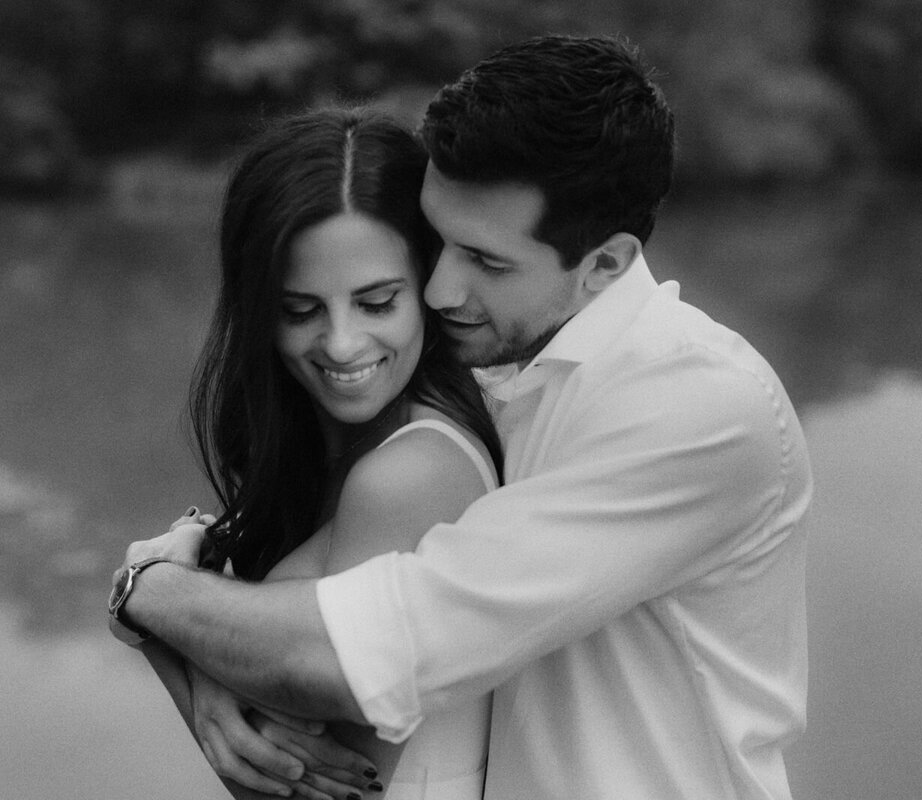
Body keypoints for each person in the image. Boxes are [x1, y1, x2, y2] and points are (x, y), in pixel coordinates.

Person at [112, 34, 813, 799]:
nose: (440, 289)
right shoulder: (496, 363)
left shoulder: (697, 410)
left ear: (604, 265)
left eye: (486, 260)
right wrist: (201, 619)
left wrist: (151, 598)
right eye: (435, 240)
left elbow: (365, 659)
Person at [109, 109, 503, 799]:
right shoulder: (333, 449)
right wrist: (193, 645)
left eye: (378, 302)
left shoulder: (413, 474)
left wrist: (165, 627)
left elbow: (290, 783)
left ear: (427, 288)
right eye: (300, 311)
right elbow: (260, 672)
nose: (343, 344)